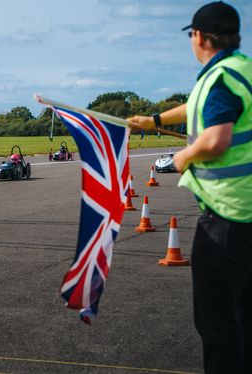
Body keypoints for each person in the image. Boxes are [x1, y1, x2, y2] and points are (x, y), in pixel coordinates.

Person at [128, 2, 251, 372]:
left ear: (197, 36)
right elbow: (196, 105)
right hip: (246, 214)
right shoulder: (237, 69)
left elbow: (215, 140)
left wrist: (183, 157)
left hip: (228, 220)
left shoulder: (219, 79)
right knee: (243, 319)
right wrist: (153, 121)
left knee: (217, 324)